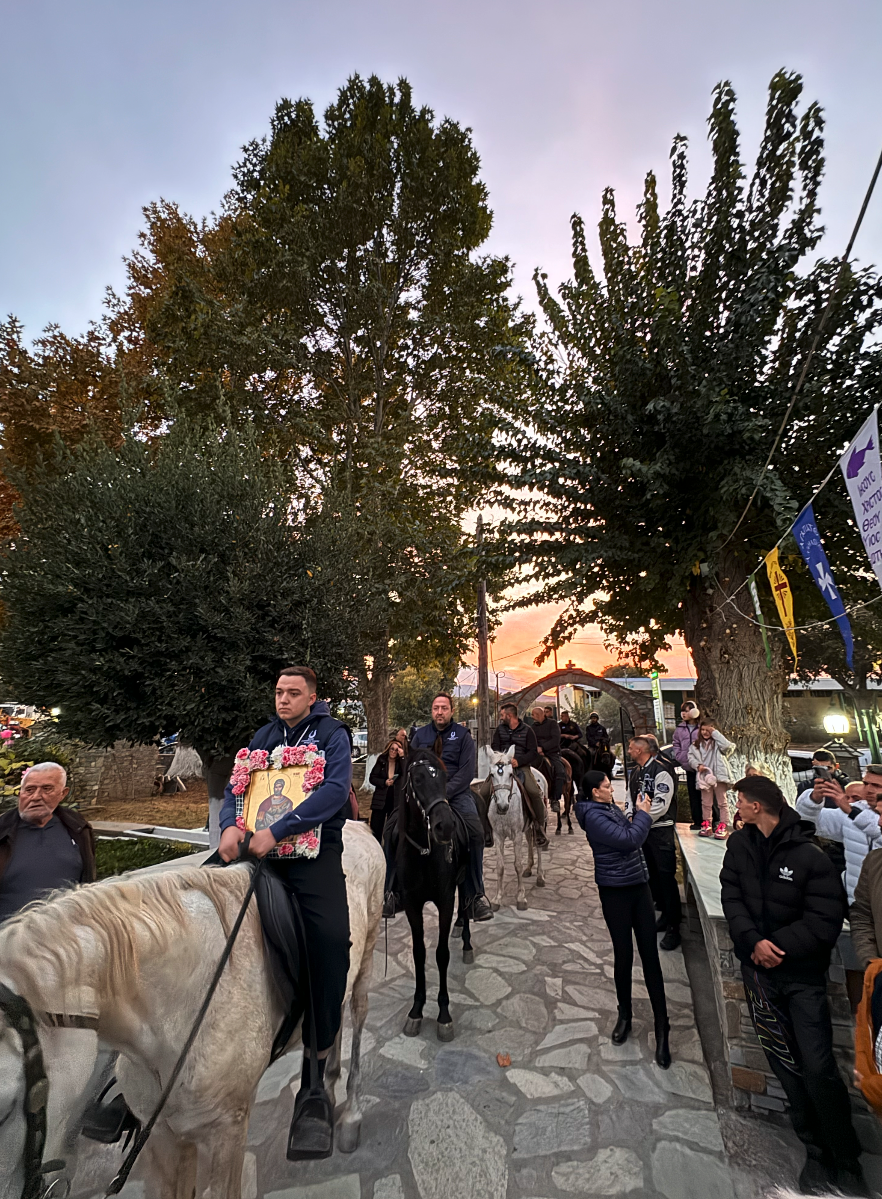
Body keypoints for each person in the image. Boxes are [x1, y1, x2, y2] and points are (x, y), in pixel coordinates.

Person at [218, 665, 353, 1160]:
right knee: (197, 902)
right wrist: (230, 824)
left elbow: (335, 792)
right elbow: (239, 787)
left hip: (313, 855)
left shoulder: (332, 735)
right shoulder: (263, 736)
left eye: (293, 692)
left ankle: (315, 1079)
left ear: (313, 696)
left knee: (331, 942)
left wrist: (283, 827)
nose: (283, 699)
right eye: (278, 691)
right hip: (259, 848)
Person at [720, 774, 866, 1197]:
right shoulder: (740, 847)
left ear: (756, 807)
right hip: (759, 978)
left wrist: (776, 946)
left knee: (819, 1066)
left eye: (741, 801)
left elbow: (823, 919)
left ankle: (846, 1158)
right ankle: (814, 1150)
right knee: (784, 1063)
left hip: (801, 977)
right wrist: (751, 943)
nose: (738, 808)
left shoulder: (809, 857)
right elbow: (732, 897)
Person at [575, 769, 671, 1068]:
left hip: (638, 887)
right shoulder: (593, 816)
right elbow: (630, 840)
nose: (610, 789)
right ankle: (625, 1014)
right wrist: (642, 814)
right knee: (623, 955)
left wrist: (634, 816)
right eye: (606, 786)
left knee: (650, 956)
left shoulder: (608, 808)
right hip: (615, 891)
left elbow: (629, 833)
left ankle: (662, 1025)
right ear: (595, 792)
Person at [410, 694, 494, 922]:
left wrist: (443, 794)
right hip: (425, 796)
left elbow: (466, 772)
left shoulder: (464, 736)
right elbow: (412, 768)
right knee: (392, 828)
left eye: (444, 708)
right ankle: (393, 890)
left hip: (456, 794)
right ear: (431, 710)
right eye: (436, 708)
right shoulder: (419, 736)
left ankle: (476, 895)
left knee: (475, 833)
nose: (439, 712)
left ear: (452, 710)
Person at [0, 763, 95, 922]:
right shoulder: (2, 831)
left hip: (63, 933)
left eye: (46, 789)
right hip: (8, 936)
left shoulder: (78, 828)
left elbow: (87, 881)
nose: (36, 796)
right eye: (29, 790)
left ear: (62, 793)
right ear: (20, 793)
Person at [627, 736, 681, 950]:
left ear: (641, 750)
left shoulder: (661, 771)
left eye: (631, 748)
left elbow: (661, 803)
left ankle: (674, 927)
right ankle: (664, 916)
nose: (629, 751)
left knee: (667, 878)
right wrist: (631, 817)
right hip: (643, 831)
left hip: (659, 831)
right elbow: (631, 799)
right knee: (653, 876)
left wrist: (641, 820)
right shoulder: (636, 773)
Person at [795, 771, 882, 904]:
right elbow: (812, 824)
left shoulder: (850, 810)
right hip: (857, 900)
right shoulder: (852, 809)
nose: (869, 789)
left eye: (877, 785)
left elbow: (877, 831)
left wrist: (852, 813)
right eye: (866, 783)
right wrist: (813, 799)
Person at [486, 703, 549, 848]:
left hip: (521, 767)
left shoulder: (527, 731)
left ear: (509, 716)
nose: (500, 718)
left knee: (533, 791)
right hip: (501, 768)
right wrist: (501, 759)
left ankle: (539, 828)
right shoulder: (500, 730)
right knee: (483, 791)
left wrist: (519, 761)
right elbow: (495, 747)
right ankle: (486, 830)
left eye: (502, 715)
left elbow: (533, 752)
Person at [687, 719, 734, 838]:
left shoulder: (718, 743)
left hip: (719, 776)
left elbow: (728, 746)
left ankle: (723, 825)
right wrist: (698, 766)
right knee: (706, 803)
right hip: (705, 777)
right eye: (702, 730)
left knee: (722, 802)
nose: (705, 732)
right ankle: (706, 823)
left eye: (708, 730)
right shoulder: (696, 745)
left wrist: (715, 733)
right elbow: (691, 757)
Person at [672, 701, 708, 831]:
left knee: (707, 795)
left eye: (687, 711)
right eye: (682, 711)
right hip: (689, 767)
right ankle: (697, 821)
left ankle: (711, 821)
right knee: (693, 795)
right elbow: (676, 743)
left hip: (703, 767)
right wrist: (681, 756)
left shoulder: (703, 727)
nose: (684, 714)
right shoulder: (680, 728)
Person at [368, 731, 407, 843]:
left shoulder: (400, 763)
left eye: (396, 749)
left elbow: (406, 773)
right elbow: (372, 778)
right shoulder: (382, 761)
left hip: (394, 800)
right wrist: (384, 782)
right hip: (380, 800)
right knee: (376, 829)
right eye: (392, 749)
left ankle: (390, 851)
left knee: (392, 829)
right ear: (388, 749)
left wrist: (402, 756)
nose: (393, 751)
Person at [531, 704, 566, 816]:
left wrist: (543, 747)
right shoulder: (533, 727)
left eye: (533, 715)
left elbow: (555, 739)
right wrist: (536, 748)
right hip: (537, 753)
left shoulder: (553, 724)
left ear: (539, 715)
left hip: (552, 752)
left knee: (559, 771)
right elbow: (532, 739)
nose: (532, 717)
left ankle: (555, 799)